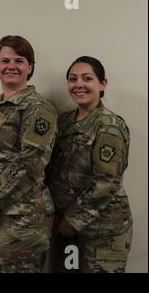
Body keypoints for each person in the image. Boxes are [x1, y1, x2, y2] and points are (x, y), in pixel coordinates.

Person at [0, 35, 57, 272]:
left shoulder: (38, 108)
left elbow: (31, 162)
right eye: (5, 60)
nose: (11, 66)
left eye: (19, 60)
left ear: (30, 67)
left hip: (21, 219)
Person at [46, 56, 133, 273]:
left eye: (87, 78)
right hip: (66, 228)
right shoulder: (64, 121)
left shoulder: (109, 127)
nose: (79, 84)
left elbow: (107, 183)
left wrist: (73, 220)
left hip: (102, 232)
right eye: (73, 79)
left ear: (102, 84)